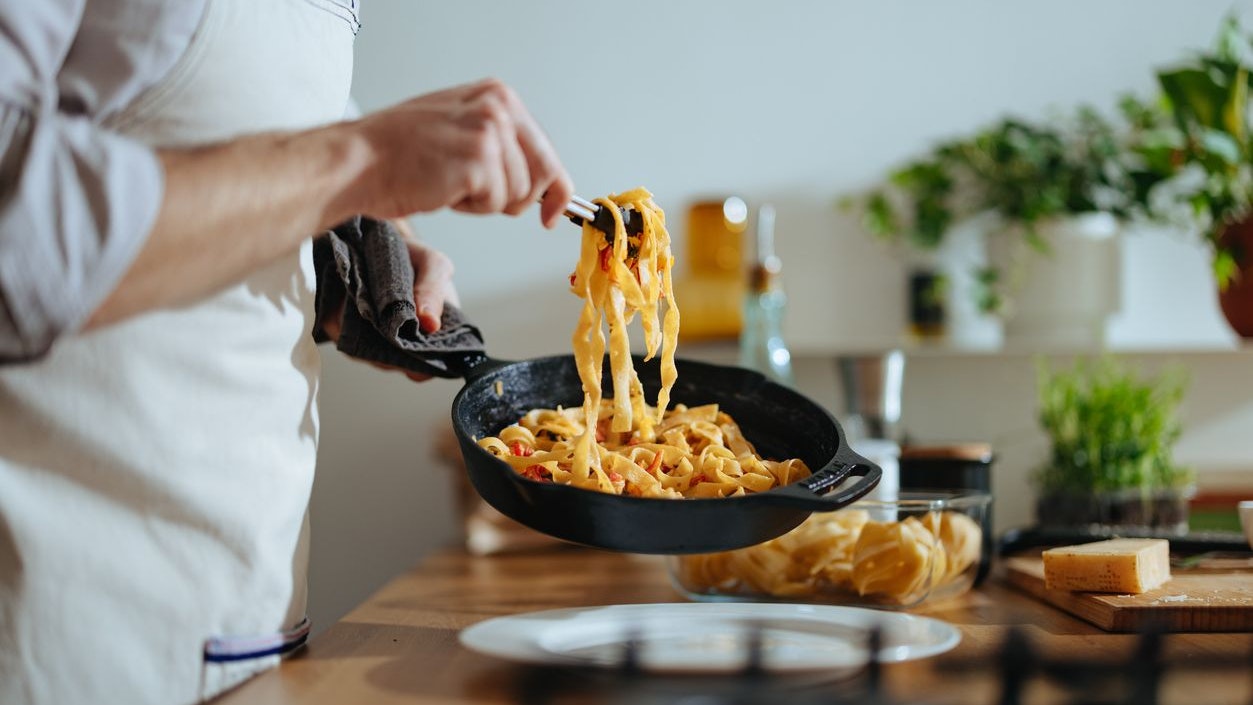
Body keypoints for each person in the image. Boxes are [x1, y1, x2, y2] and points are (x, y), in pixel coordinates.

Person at [0, 1, 574, 703]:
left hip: (250, 629)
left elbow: (237, 164)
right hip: (58, 636)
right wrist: (365, 157)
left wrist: (362, 265)